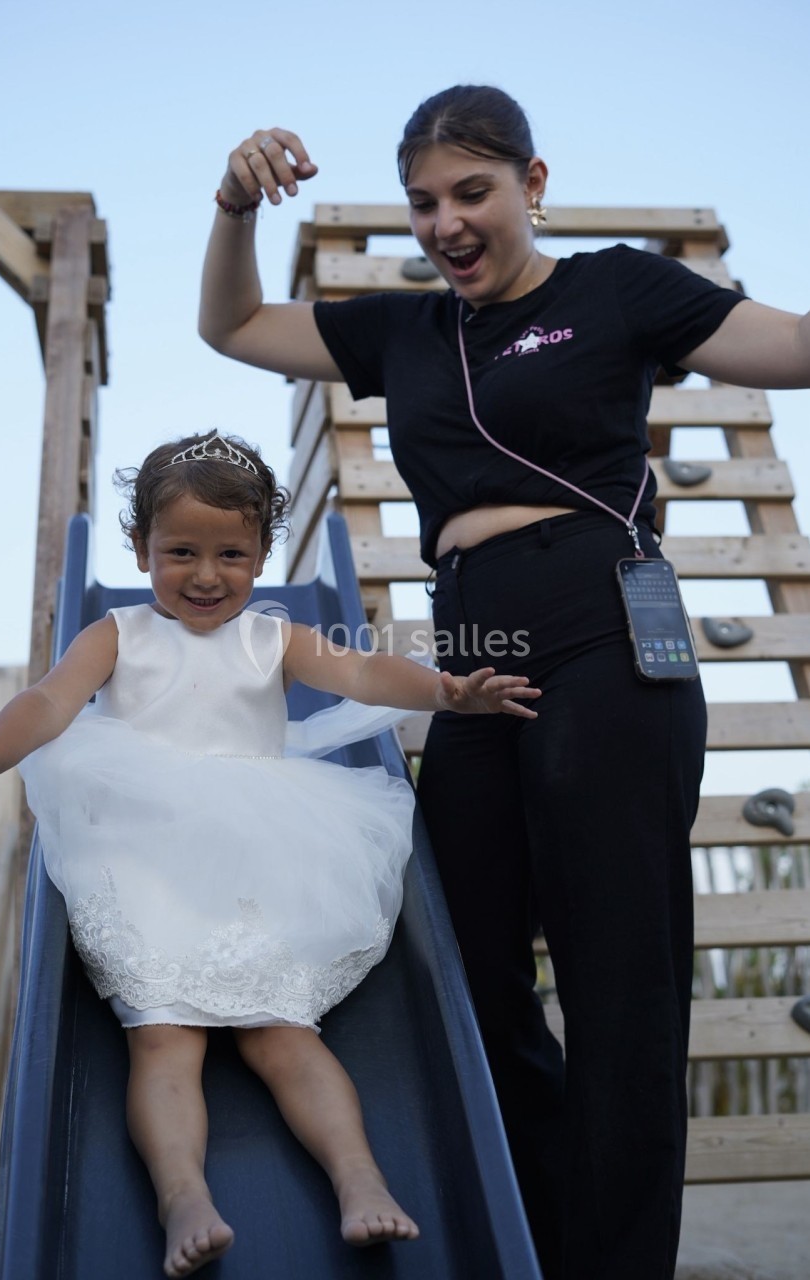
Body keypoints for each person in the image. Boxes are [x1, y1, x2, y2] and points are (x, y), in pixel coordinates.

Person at [196, 84, 810, 1280]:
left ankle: (613, 1261)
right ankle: (535, 1229)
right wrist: (232, 204)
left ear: (532, 185)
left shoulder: (617, 288)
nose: (445, 223)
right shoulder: (401, 334)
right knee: (468, 956)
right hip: (472, 651)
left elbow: (786, 346)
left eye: (472, 193)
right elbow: (234, 327)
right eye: (425, 203)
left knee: (617, 969)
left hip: (600, 621)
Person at [0, 429, 540, 1279]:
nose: (205, 574)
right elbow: (51, 700)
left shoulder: (274, 640)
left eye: (231, 554)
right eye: (181, 552)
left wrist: (448, 692)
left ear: (263, 554)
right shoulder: (117, 634)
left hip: (262, 858)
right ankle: (182, 1195)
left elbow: (368, 675)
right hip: (147, 855)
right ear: (140, 550)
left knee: (286, 1036)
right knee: (163, 1039)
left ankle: (360, 1180)